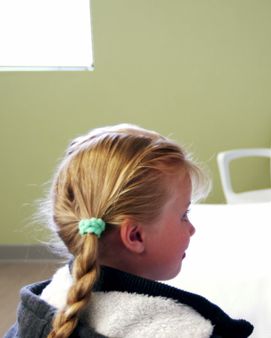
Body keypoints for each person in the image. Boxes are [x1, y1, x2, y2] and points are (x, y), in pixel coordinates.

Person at [5, 124, 253, 338]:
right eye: (183, 215)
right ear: (135, 236)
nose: (192, 229)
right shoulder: (188, 331)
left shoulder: (39, 306)